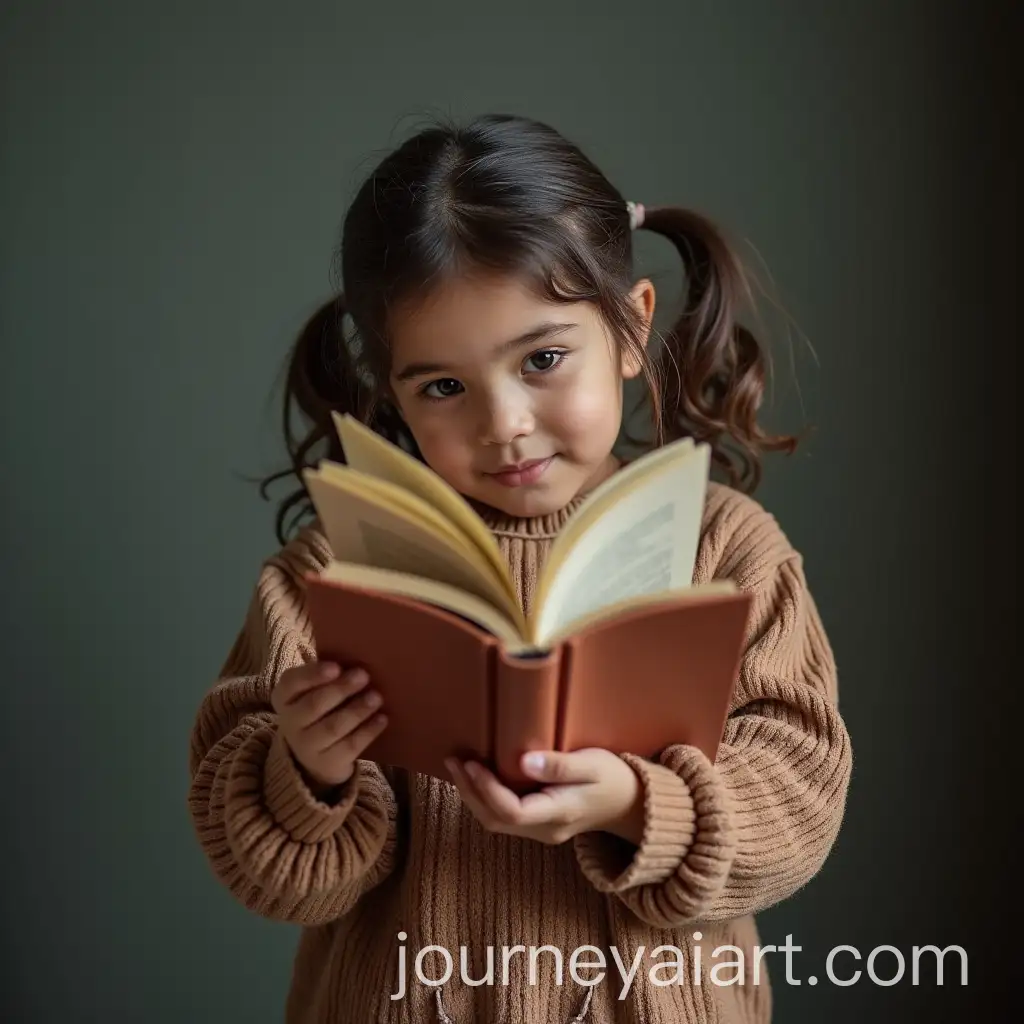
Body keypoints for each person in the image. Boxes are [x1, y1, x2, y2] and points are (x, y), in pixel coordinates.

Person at [187, 113, 852, 1024]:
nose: (502, 424)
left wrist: (632, 802)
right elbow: (269, 873)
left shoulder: (727, 552)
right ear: (393, 391)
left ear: (629, 330)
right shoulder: (335, 572)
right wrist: (307, 771)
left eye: (542, 359)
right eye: (443, 387)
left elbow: (800, 804)